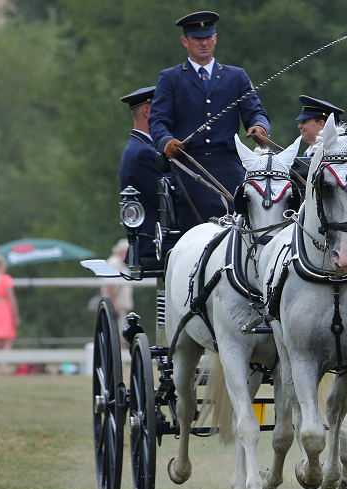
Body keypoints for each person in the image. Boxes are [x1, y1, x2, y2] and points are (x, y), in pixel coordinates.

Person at [149, 11, 271, 231]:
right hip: (189, 164)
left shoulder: (237, 76)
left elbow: (255, 112)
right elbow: (158, 121)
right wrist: (166, 142)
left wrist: (259, 127)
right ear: (185, 41)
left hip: (228, 162)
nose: (203, 43)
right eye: (197, 38)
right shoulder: (170, 78)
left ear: (215, 39)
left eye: (208, 37)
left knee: (250, 208)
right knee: (203, 215)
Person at [119, 86, 162, 260]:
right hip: (155, 243)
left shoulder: (141, 148)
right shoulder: (144, 152)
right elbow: (170, 197)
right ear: (147, 112)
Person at [101, 240, 134, 327]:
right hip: (117, 307)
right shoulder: (114, 263)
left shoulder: (121, 265)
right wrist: (114, 304)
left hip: (121, 307)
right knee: (119, 334)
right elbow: (109, 285)